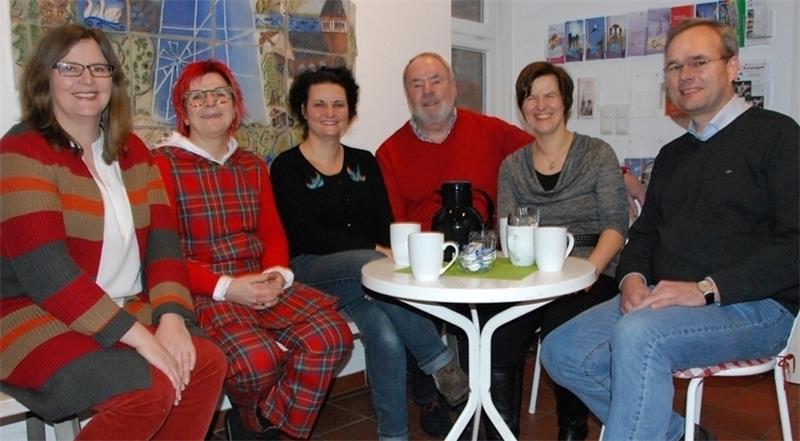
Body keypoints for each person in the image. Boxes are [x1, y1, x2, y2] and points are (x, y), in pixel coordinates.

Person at [541, 19, 798, 441]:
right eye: (675, 67)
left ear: (733, 67)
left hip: (757, 306)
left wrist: (706, 289)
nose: (685, 75)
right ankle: (678, 434)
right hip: (666, 298)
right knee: (562, 351)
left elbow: (796, 246)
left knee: (639, 337)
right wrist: (632, 280)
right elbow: (643, 234)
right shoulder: (674, 154)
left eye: (698, 61)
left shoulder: (778, 136)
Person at [0, 24, 227, 440]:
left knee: (205, 360)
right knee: (147, 389)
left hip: (117, 305)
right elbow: (48, 275)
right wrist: (143, 338)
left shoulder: (134, 151)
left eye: (99, 69)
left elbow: (164, 245)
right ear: (44, 78)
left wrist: (173, 317)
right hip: (29, 310)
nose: (87, 80)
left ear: (113, 81)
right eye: (70, 67)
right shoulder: (21, 150)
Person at [152, 60, 353, 441]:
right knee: (257, 361)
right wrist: (229, 287)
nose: (210, 103)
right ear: (184, 108)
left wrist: (278, 274)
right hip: (204, 290)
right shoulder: (162, 164)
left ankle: (257, 424)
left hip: (261, 283)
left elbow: (272, 233)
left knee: (333, 336)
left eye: (220, 94)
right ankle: (257, 423)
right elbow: (162, 254)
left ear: (234, 104)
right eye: (198, 96)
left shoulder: (251, 164)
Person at [270, 66, 468, 441]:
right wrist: (374, 253)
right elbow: (306, 235)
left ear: (350, 111)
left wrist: (377, 253)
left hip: (365, 281)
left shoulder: (364, 161)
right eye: (320, 104)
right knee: (373, 263)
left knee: (384, 331)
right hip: (311, 272)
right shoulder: (287, 167)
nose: (330, 112)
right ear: (303, 110)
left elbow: (383, 225)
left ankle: (393, 436)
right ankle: (440, 362)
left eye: (338, 104)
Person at [375, 52, 533, 437]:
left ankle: (482, 404)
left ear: (453, 86)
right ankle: (431, 395)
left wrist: (620, 172)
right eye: (417, 84)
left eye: (435, 81)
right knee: (407, 304)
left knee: (483, 315)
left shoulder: (491, 132)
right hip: (425, 261)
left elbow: (549, 148)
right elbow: (393, 223)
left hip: (483, 261)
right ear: (408, 94)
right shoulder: (390, 152)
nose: (428, 92)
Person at [493, 61, 628, 440]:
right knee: (497, 336)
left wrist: (590, 273)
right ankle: (502, 433)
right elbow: (506, 231)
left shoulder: (597, 153)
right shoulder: (512, 166)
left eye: (549, 94)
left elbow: (617, 225)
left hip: (593, 271)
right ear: (522, 108)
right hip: (533, 275)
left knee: (562, 333)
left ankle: (572, 432)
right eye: (530, 97)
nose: (540, 104)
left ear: (565, 101)